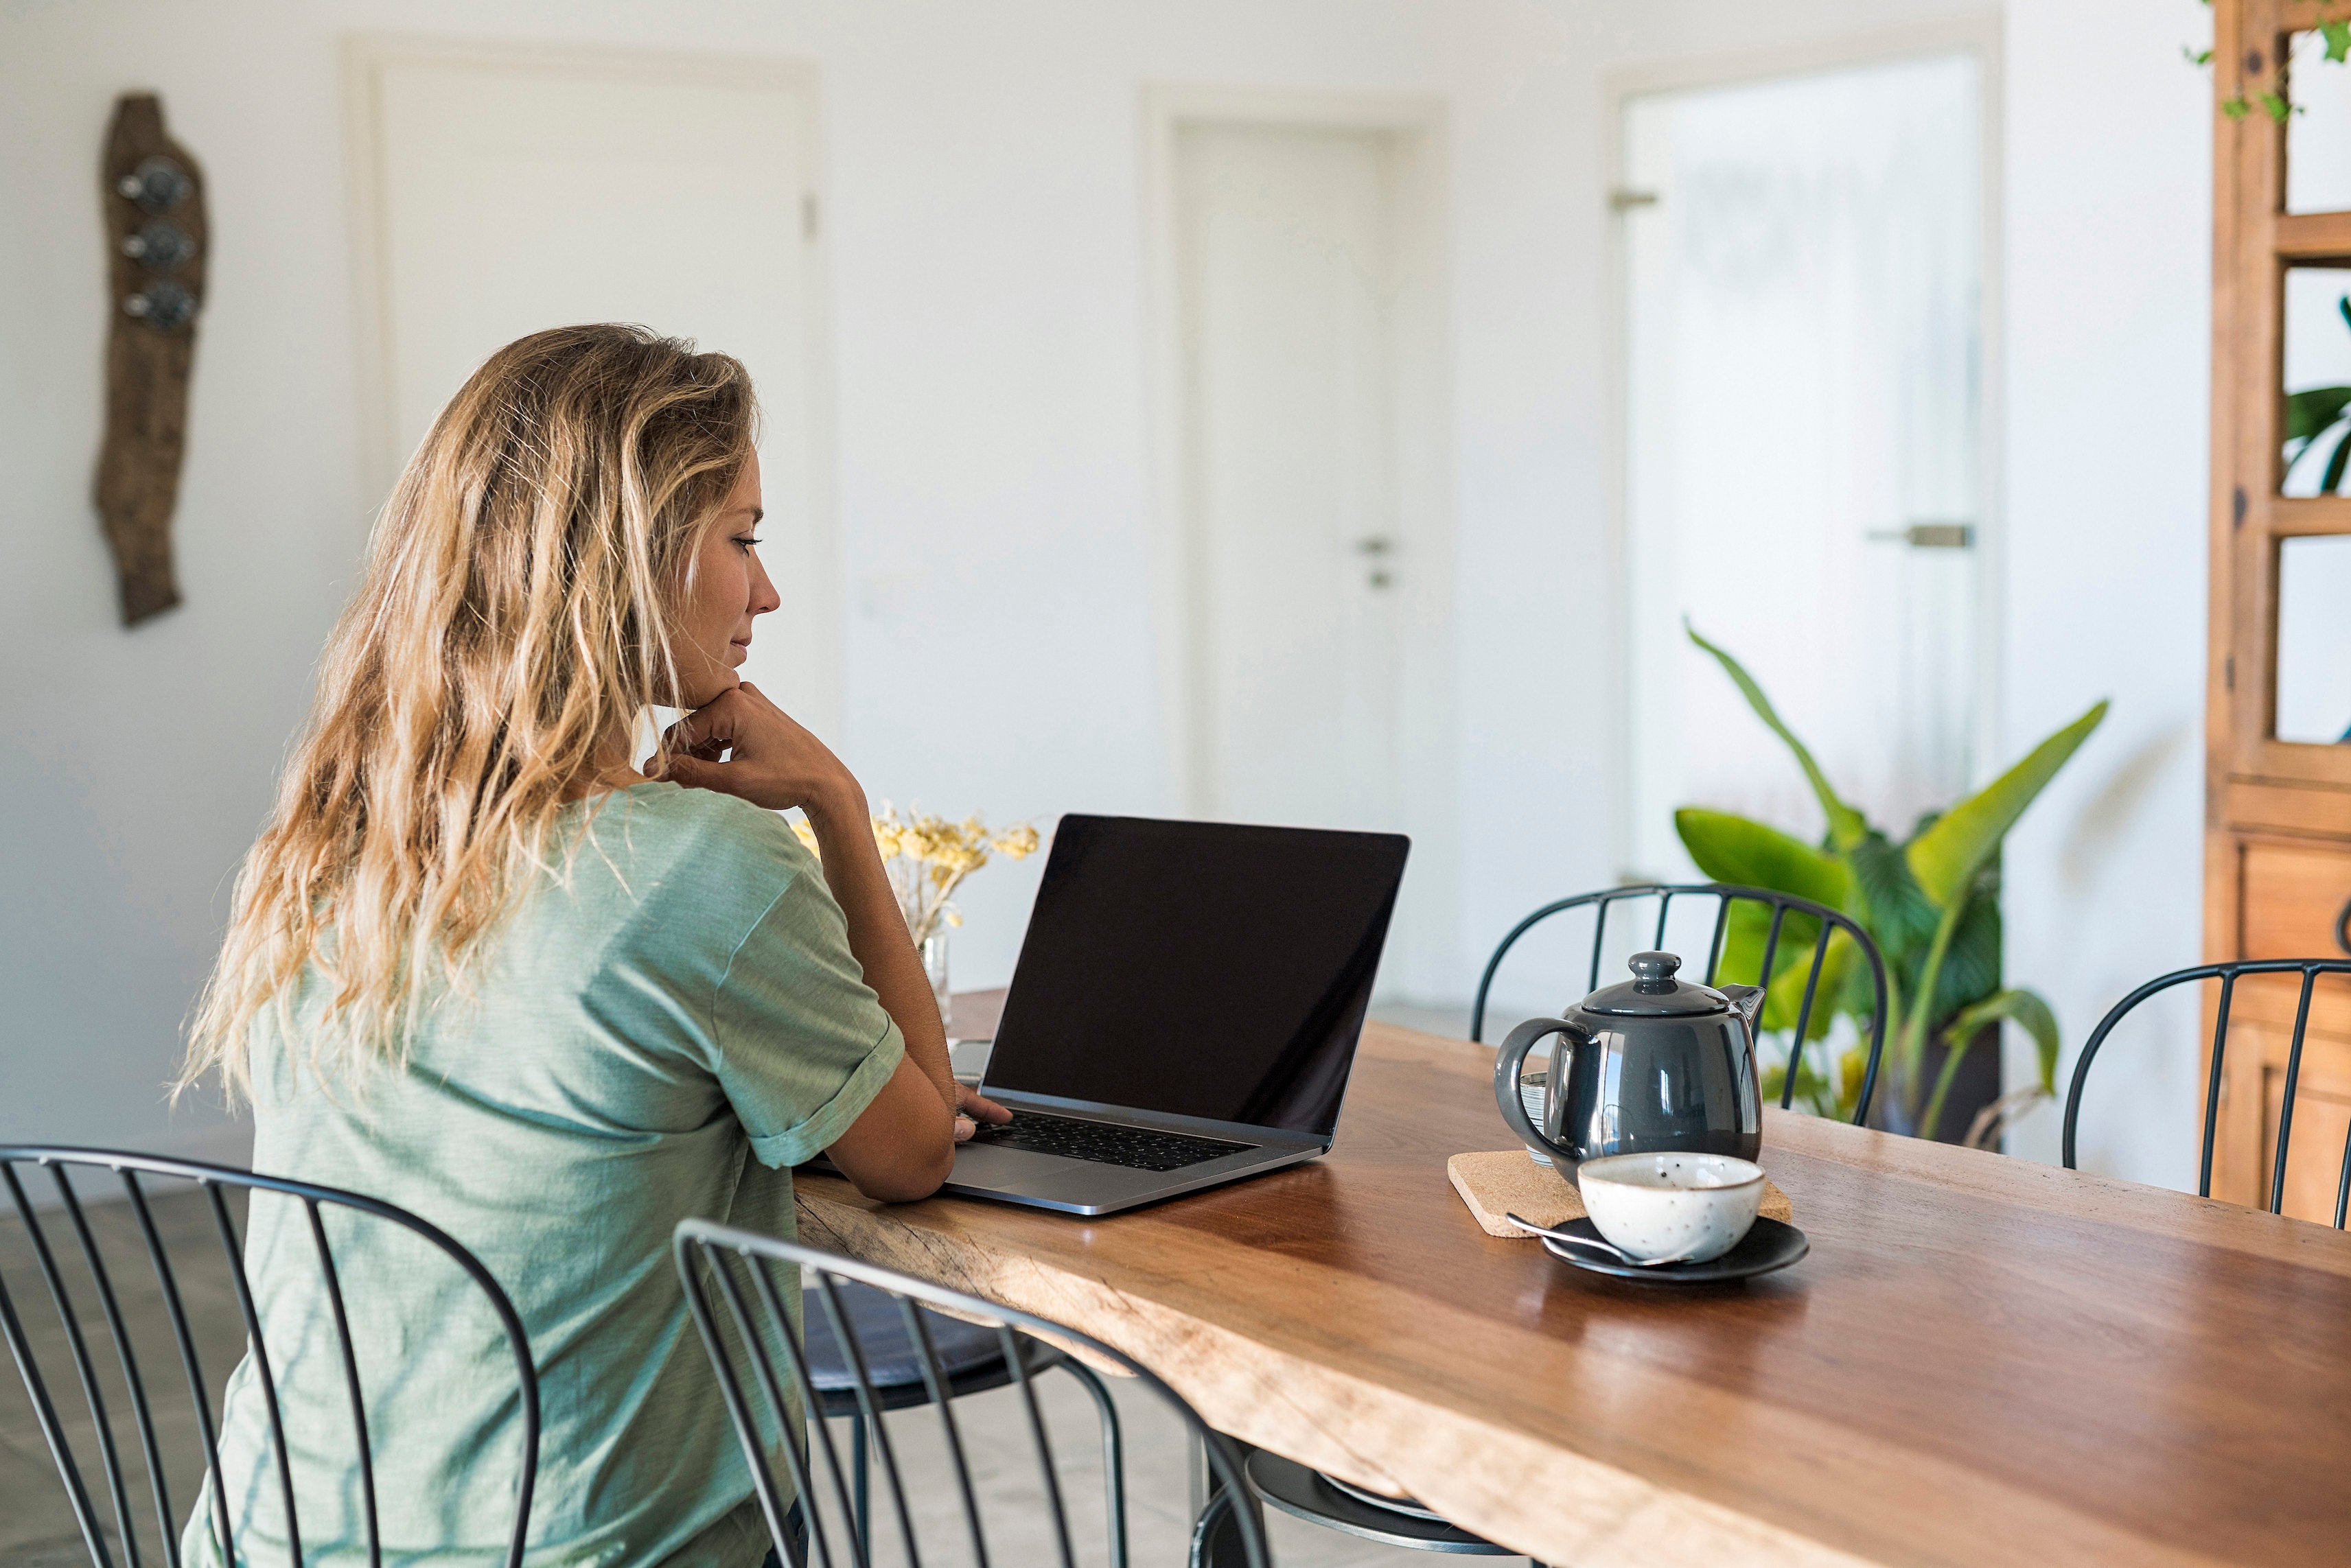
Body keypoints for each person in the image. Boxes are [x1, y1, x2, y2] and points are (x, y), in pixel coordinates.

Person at [176, 323, 1006, 1565]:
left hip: (270, 1536)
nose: (766, 591)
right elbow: (912, 1149)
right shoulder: (698, 868)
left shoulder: (336, 843)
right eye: (744, 538)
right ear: (627, 554)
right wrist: (834, 797)